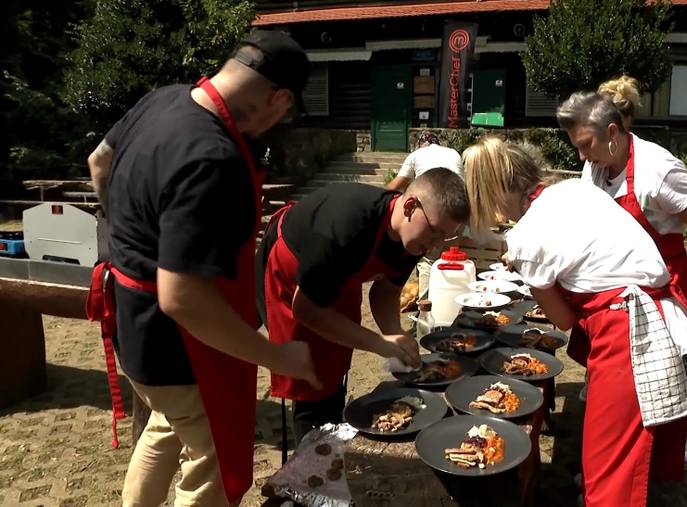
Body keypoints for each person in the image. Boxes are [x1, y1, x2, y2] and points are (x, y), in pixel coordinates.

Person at [85, 30, 320, 506]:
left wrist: (128, 238)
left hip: (131, 326)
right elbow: (182, 298)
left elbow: (99, 160)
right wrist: (276, 356)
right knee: (213, 462)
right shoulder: (212, 158)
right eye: (285, 113)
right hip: (179, 346)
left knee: (165, 426)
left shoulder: (162, 101)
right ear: (279, 97)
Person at [463, 136, 687, 506]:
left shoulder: (526, 236)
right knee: (631, 453)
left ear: (498, 193)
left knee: (610, 465)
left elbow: (562, 320)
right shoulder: (578, 189)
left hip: (629, 332)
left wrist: (538, 279)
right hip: (662, 317)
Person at [257, 168, 470, 442]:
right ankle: (310, 462)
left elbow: (386, 291)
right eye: (434, 233)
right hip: (292, 274)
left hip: (339, 276)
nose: (435, 247)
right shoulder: (347, 224)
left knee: (337, 357)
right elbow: (307, 310)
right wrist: (378, 343)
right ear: (409, 206)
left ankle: (332, 429)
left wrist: (393, 331)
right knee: (311, 374)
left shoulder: (414, 238)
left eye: (445, 238)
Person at [563, 91, 687, 324]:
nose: (581, 156)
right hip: (616, 292)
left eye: (586, 145)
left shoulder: (659, 169)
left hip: (662, 296)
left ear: (612, 133)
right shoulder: (594, 167)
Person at [386, 130, 465, 299]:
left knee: (427, 261)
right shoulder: (453, 153)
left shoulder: (417, 154)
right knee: (450, 260)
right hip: (457, 217)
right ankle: (448, 302)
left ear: (421, 144)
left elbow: (395, 185)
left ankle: (426, 310)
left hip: (433, 214)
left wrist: (380, 202)